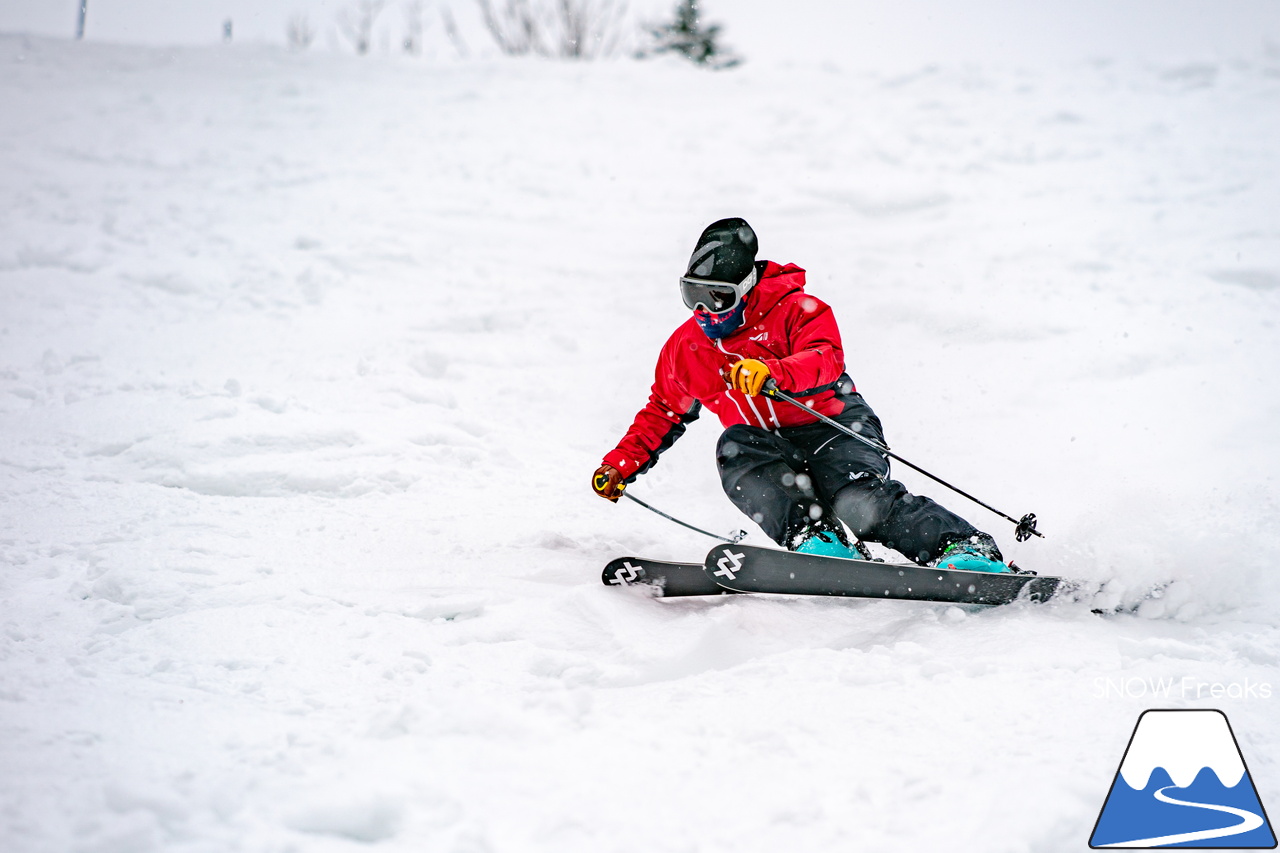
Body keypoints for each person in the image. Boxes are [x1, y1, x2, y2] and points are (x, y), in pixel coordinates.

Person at [591, 217, 1009, 573]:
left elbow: (825, 358)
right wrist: (619, 466)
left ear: (747, 287)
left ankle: (963, 548)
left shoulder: (797, 310)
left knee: (856, 501)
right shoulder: (686, 349)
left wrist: (774, 371)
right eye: (692, 295)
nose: (704, 310)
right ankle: (816, 538)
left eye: (717, 297)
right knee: (734, 447)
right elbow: (663, 411)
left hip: (834, 426)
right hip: (766, 446)